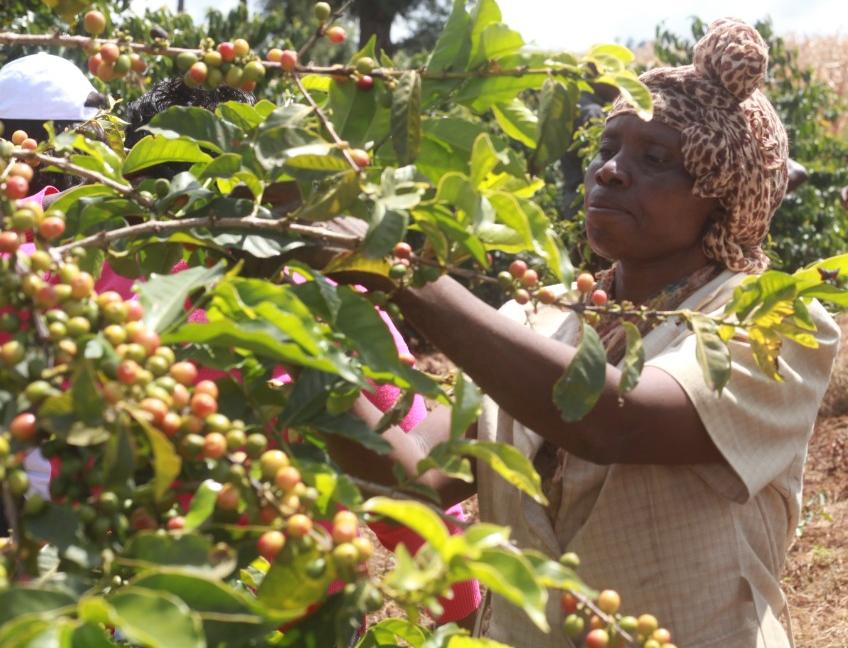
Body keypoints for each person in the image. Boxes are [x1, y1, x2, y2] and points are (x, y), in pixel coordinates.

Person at [331, 18, 840, 647]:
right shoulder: (539, 318)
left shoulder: (770, 323)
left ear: (724, 195)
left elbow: (613, 421)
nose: (611, 171)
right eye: (609, 149)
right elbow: (415, 482)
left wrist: (395, 269)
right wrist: (295, 353)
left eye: (655, 159)